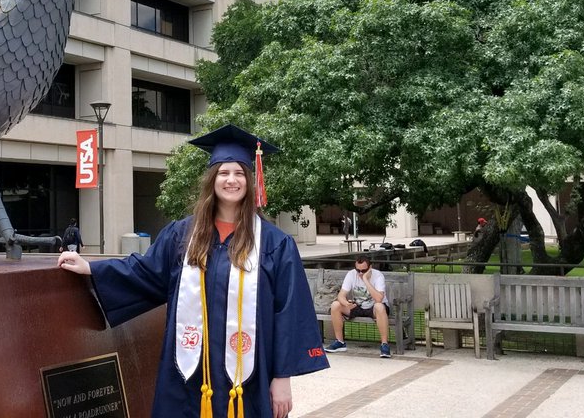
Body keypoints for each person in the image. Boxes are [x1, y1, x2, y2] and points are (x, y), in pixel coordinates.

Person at [58, 124, 328, 418]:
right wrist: (93, 269)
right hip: (188, 376)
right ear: (212, 179)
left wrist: (282, 378)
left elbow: (289, 313)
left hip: (249, 378)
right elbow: (147, 273)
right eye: (224, 173)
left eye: (239, 173)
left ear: (251, 181)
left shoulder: (275, 244)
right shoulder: (182, 235)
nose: (231, 180)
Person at [324, 255, 390, 357]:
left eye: (363, 271)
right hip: (357, 306)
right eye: (357, 270)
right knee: (335, 305)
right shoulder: (351, 274)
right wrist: (346, 303)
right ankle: (340, 342)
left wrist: (365, 280)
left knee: (379, 306)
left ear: (370, 268)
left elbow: (379, 299)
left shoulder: (378, 276)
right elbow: (341, 295)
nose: (360, 273)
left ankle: (384, 345)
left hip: (374, 308)